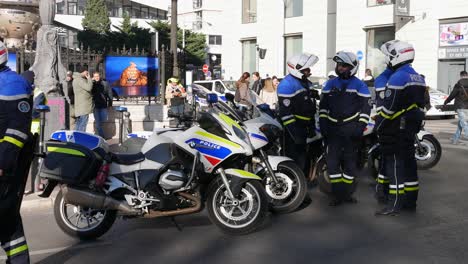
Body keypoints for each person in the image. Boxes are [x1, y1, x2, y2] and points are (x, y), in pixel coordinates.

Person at [375, 40, 426, 216]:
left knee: (394, 165)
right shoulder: (418, 76)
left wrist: (379, 126)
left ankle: (393, 204)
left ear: (398, 56)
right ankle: (411, 201)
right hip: (410, 128)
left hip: (396, 128)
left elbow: (389, 109)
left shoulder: (397, 77)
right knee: (410, 165)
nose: (389, 60)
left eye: (390, 57)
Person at [319, 51, 371, 206]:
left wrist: (359, 127)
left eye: (343, 66)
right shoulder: (330, 84)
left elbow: (366, 109)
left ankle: (347, 194)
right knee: (333, 163)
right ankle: (337, 194)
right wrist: (323, 125)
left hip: (350, 128)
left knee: (350, 164)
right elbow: (323, 107)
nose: (339, 68)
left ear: (352, 67)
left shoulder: (360, 85)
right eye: (338, 65)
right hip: (333, 129)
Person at [0, 40, 32, 263]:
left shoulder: (12, 84)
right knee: (8, 222)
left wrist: (2, 162)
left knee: (7, 219)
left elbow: (17, 130)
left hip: (5, 167)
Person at [277, 53, 319, 175]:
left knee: (304, 160)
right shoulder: (286, 85)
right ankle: (294, 190)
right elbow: (286, 113)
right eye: (306, 69)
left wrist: (311, 126)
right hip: (293, 129)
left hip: (306, 125)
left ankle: (303, 186)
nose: (309, 71)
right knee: (293, 162)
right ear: (296, 69)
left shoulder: (305, 82)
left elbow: (309, 105)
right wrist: (295, 133)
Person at [444, 70, 468, 144]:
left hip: (460, 106)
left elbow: (452, 95)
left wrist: (446, 101)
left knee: (464, 124)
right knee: (460, 124)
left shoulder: (458, 84)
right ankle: (455, 139)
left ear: (461, 76)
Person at [72, 66, 94, 132]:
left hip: (80, 106)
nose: (87, 72)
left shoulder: (77, 79)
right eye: (86, 71)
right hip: (83, 107)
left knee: (78, 124)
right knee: (82, 125)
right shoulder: (80, 79)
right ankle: (80, 140)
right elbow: (88, 87)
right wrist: (89, 79)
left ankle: (75, 139)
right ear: (83, 71)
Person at [92, 72, 112, 139]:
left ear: (99, 76)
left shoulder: (105, 83)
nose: (96, 77)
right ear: (93, 77)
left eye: (97, 76)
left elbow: (109, 93)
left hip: (103, 105)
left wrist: (110, 104)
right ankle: (101, 137)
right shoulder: (92, 84)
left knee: (102, 121)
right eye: (95, 76)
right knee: (98, 123)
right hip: (96, 106)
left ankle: (98, 135)